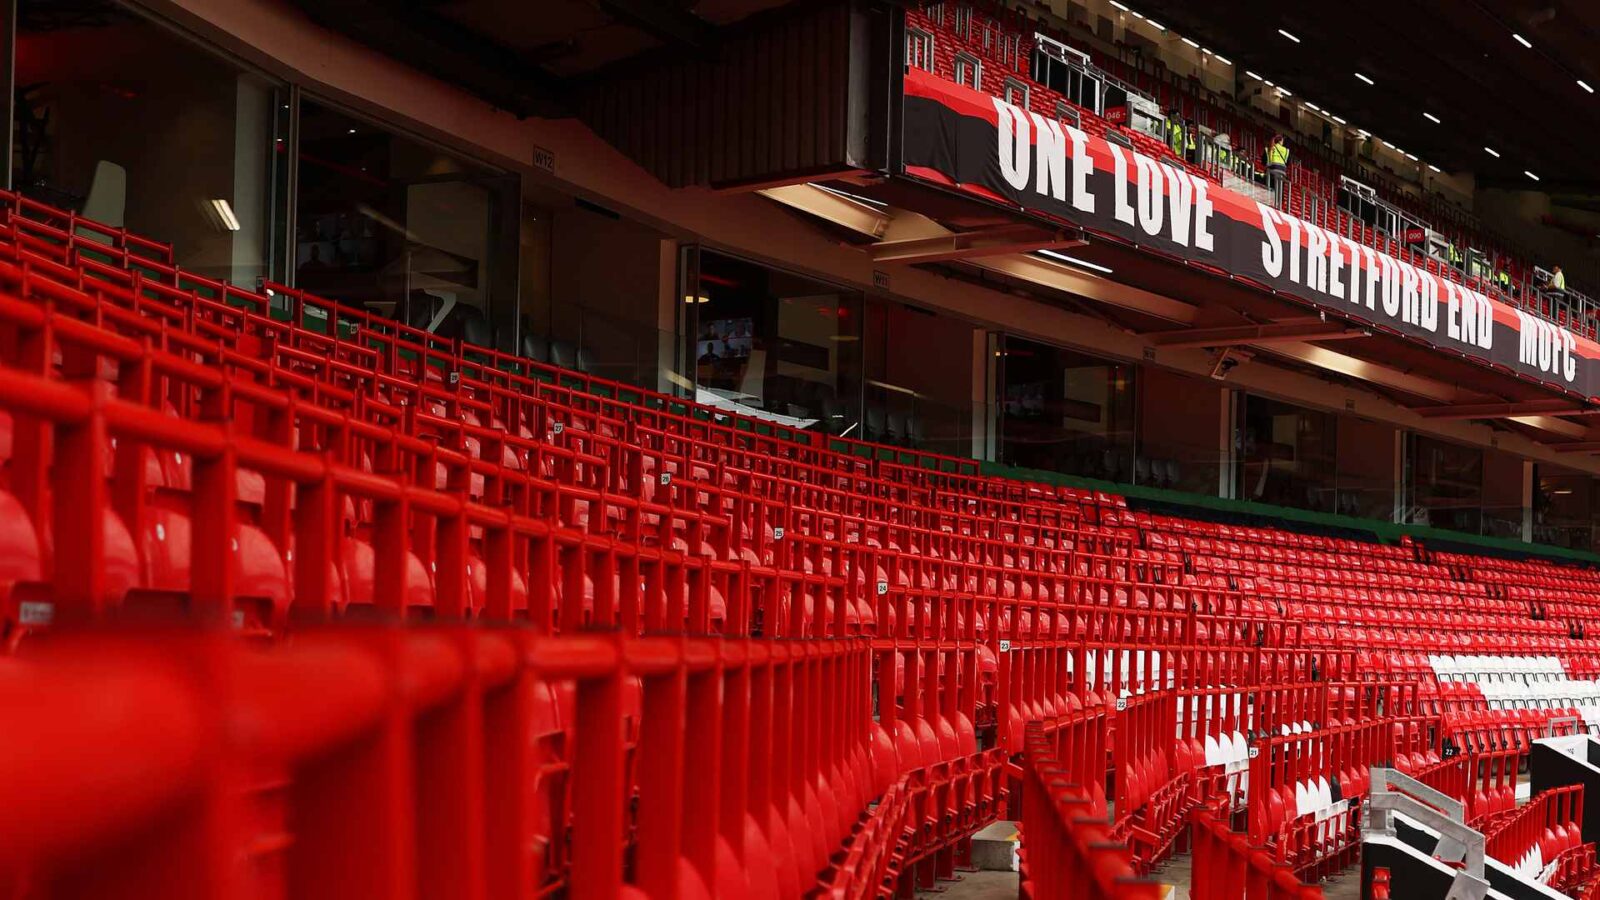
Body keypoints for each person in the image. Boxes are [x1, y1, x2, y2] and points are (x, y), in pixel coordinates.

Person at [1265, 135, 1291, 205]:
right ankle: (1279, 204)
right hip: (1282, 173)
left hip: (1271, 172)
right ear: (1280, 141)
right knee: (1280, 190)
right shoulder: (1286, 150)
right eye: (1282, 141)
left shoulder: (1270, 148)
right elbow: (1288, 162)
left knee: (1271, 189)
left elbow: (1264, 160)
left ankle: (1270, 203)